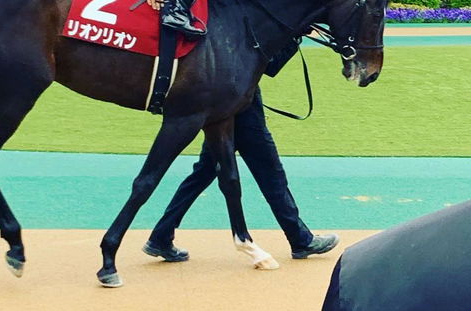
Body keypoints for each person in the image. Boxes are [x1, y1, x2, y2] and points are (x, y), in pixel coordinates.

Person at [143, 50, 339, 263]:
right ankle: (300, 239)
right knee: (271, 174)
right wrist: (295, 37)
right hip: (242, 110)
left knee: (203, 173)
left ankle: (161, 236)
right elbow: (270, 65)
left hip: (226, 107)